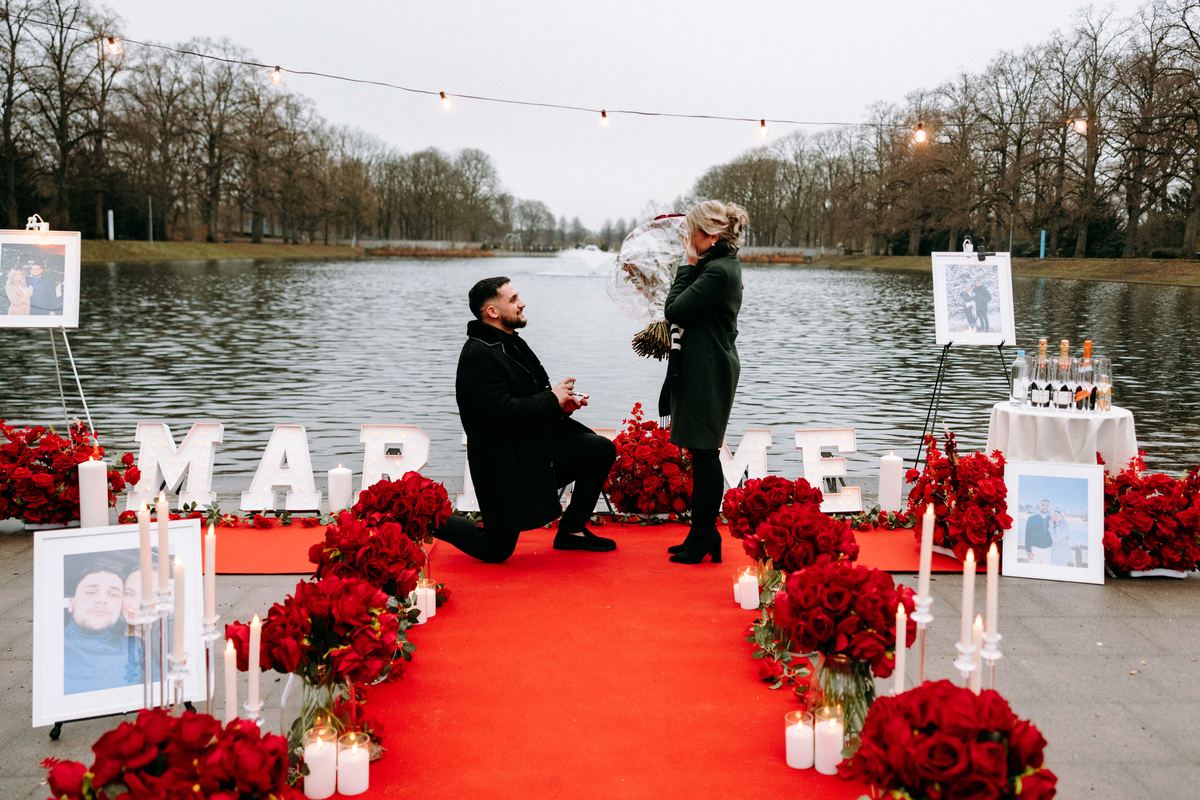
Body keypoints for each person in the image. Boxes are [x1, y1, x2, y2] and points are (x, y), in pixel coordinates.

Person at [433, 276, 617, 563]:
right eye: (513, 299)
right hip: (503, 466)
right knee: (495, 550)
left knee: (599, 449)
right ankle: (427, 518)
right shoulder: (477, 354)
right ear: (492, 312)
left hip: (531, 450)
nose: (522, 303)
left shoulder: (510, 342)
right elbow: (501, 413)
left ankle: (572, 531)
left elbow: (528, 399)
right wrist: (551, 399)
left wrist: (562, 405)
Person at [660, 200, 747, 564]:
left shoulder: (717, 272)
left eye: (690, 232)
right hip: (703, 363)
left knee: (705, 453)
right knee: (701, 452)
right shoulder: (717, 266)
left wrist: (686, 266)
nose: (686, 238)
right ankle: (702, 534)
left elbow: (675, 309)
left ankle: (704, 536)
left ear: (709, 236)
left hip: (709, 368)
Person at [63, 559, 132, 694]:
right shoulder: (49, 650)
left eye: (113, 594)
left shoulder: (138, 649)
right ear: (71, 604)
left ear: (120, 609)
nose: (102, 600)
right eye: (91, 592)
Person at [1023, 499, 1053, 565]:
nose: (1044, 507)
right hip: (1035, 549)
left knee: (1047, 571)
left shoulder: (1052, 519)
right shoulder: (1032, 518)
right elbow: (1027, 535)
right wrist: (1028, 550)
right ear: (1039, 506)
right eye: (1042, 505)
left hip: (1048, 550)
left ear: (1049, 507)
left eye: (1047, 505)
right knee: (1034, 571)